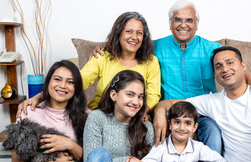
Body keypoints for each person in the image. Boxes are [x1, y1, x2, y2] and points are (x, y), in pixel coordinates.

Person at [91, 1, 251, 162]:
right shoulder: (156, 47)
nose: (183, 25)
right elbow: (131, 47)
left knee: (213, 132)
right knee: (157, 137)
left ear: (197, 24)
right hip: (169, 110)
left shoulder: (211, 48)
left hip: (202, 112)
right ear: (170, 24)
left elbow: (234, 68)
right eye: (178, 20)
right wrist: (106, 46)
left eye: (189, 20)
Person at [17, 11, 161, 118]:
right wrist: (39, 96)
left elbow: (154, 95)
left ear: (144, 37)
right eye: (128, 31)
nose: (134, 37)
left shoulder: (151, 61)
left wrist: (140, 112)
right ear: (118, 34)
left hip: (136, 116)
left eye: (139, 33)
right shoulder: (103, 56)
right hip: (103, 115)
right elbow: (79, 80)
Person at [6, 60, 88, 162]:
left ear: (76, 88)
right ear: (48, 82)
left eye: (70, 82)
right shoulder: (29, 112)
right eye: (57, 79)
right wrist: (52, 161)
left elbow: (91, 159)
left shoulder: (86, 117)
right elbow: (16, 160)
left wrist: (69, 144)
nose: (62, 86)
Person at [83, 70, 156, 162]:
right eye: (130, 94)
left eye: (140, 97)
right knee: (99, 153)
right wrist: (128, 160)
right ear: (113, 95)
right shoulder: (97, 118)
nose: (136, 102)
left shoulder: (146, 127)